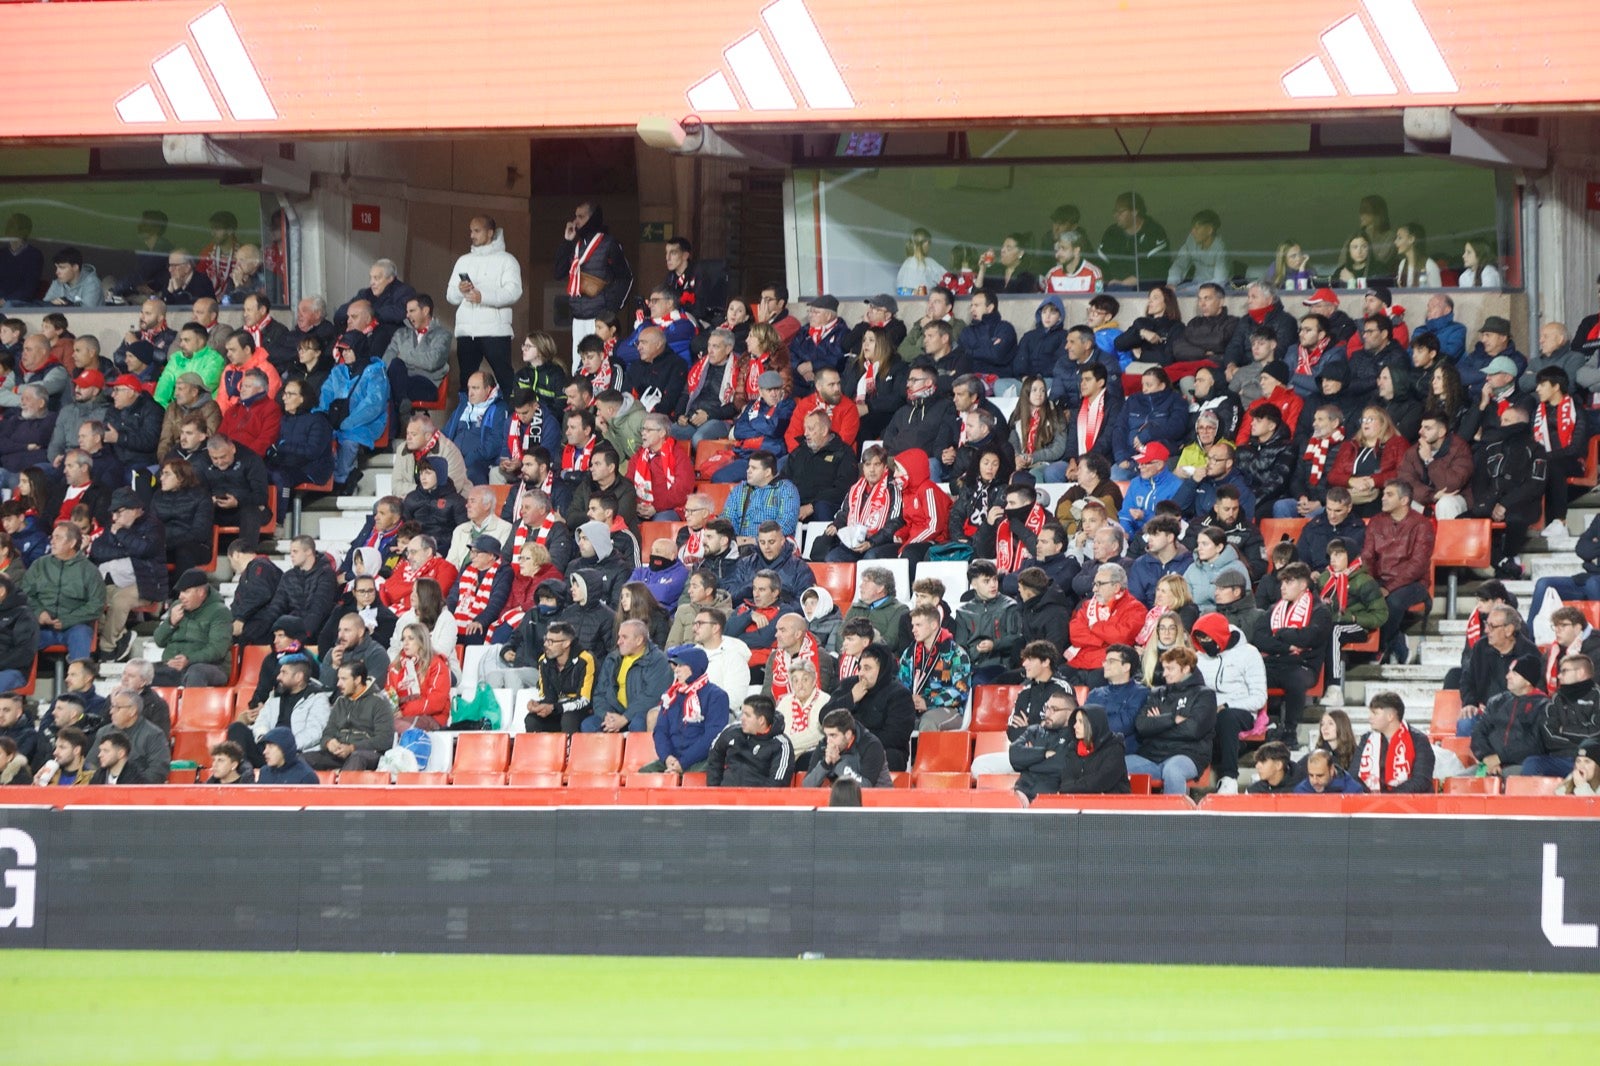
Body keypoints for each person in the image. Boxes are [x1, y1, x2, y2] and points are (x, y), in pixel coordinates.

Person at [1251, 562, 1332, 744]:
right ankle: (1256, 724)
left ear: (1303, 585)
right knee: (1249, 674)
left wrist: (1279, 633)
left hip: (1302, 665)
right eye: (1282, 582)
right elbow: (1259, 637)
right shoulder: (1274, 609)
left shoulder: (1320, 611)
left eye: (1288, 582)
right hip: (1274, 662)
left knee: (1294, 680)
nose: (1283, 587)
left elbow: (1309, 638)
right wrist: (1286, 646)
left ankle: (1290, 730)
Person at [445, 215, 523, 396]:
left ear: (490, 233)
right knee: (466, 380)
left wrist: (483, 297)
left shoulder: (507, 260)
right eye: (471, 230)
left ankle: (512, 417)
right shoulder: (463, 260)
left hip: (494, 330)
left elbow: (514, 292)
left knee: (505, 378)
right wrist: (461, 290)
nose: (472, 235)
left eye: (477, 231)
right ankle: (466, 419)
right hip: (467, 331)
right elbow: (450, 296)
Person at [1190, 612, 1267, 794]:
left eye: (1207, 637)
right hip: (1207, 710)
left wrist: (1228, 705)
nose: (1203, 642)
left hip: (1240, 710)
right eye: (1200, 638)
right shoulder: (1198, 657)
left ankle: (1229, 777)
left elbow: (1259, 697)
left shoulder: (1249, 653)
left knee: (1226, 717)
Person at [1127, 647, 1217, 795]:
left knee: (1174, 771)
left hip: (1187, 755)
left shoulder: (1205, 695)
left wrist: (1157, 723)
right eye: (1164, 669)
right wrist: (1172, 719)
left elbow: (1193, 730)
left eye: (1170, 669)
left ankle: (1175, 818)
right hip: (1152, 755)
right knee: (1118, 765)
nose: (1165, 674)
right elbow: (1142, 725)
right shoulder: (1157, 693)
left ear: (1186, 668)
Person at [1362, 480, 1435, 663]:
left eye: (1389, 494)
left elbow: (1418, 564)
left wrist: (1388, 588)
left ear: (1404, 500)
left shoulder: (1422, 524)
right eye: (1384, 494)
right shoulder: (1376, 522)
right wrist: (1370, 583)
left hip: (1414, 583)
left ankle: (1379, 646)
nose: (1383, 498)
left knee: (1392, 602)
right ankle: (1397, 641)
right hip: (1380, 580)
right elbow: (1367, 557)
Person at [315, 331, 390, 492]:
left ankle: (341, 480)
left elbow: (373, 404)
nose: (345, 354)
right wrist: (322, 416)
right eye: (343, 351)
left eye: (349, 350)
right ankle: (331, 477)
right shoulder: (337, 372)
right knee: (319, 434)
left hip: (367, 422)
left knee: (349, 440)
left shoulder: (376, 371)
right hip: (337, 419)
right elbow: (326, 395)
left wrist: (349, 422)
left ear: (359, 349)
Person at [21, 520, 103, 662]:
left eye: (58, 537)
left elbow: (97, 605)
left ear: (72, 543)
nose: (52, 541)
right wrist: (38, 612)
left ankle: (79, 680)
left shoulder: (89, 570)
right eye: (52, 537)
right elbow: (25, 594)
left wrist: (68, 620)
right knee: (15, 634)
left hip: (75, 628)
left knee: (81, 634)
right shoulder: (39, 565)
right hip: (41, 628)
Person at [1468, 652, 1550, 778]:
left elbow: (1534, 743)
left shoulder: (1543, 706)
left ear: (1528, 681)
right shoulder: (1496, 702)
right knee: (1454, 781)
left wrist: (1500, 757)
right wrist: (1487, 757)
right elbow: (1478, 733)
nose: (1507, 676)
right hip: (1489, 764)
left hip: (1520, 766)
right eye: (1509, 672)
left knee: (1508, 778)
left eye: (1514, 673)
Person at [582, 619, 672, 733]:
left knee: (638, 724)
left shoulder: (657, 660)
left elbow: (652, 696)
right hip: (614, 713)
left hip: (640, 713)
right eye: (619, 637)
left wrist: (625, 718)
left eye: (624, 637)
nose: (619, 641)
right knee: (589, 725)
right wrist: (606, 715)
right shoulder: (612, 659)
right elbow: (600, 693)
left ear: (639, 640)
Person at [1065, 562, 1145, 686]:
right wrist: (1103, 640)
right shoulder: (1087, 605)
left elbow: (1121, 638)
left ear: (1116, 587)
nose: (1094, 589)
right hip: (1079, 660)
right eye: (1094, 584)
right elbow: (1075, 633)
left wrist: (1094, 627)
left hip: (1106, 664)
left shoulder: (1135, 609)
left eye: (1099, 584)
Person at [898, 603, 971, 732]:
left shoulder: (955, 653)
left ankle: (927, 753)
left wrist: (929, 702)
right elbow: (901, 685)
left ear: (933, 625)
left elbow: (961, 691)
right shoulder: (910, 654)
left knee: (928, 721)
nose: (913, 629)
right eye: (913, 625)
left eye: (918, 625)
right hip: (913, 708)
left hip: (949, 710)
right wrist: (910, 700)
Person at [706, 692, 794, 787]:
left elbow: (777, 784)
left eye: (747, 715)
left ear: (761, 720)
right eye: (742, 713)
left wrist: (755, 800)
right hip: (726, 797)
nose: (742, 718)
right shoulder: (732, 731)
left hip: (757, 800)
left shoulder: (781, 744)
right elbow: (715, 753)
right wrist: (715, 789)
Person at [1353, 691, 1435, 793]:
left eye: (1375, 713)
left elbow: (1421, 780)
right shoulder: (1366, 740)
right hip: (1372, 804)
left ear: (1390, 716)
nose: (1370, 717)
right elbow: (1354, 776)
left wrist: (1389, 798)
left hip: (1411, 804)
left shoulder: (1418, 740)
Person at [86, 689, 170, 781]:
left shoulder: (153, 734)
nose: (111, 712)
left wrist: (135, 785)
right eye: (112, 707)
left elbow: (158, 769)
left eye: (117, 708)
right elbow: (91, 763)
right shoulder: (104, 731)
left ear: (132, 711)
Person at [802, 708, 892, 788]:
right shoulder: (824, 745)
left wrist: (837, 762)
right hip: (842, 801)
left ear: (848, 734)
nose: (828, 741)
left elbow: (865, 787)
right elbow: (807, 787)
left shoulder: (871, 745)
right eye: (826, 735)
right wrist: (825, 764)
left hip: (877, 802)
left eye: (833, 735)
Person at [1098, 192, 1171, 290]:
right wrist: (1110, 281)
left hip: (1145, 288)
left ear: (1135, 212)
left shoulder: (1154, 231)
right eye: (1115, 211)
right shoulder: (1111, 233)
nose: (1116, 215)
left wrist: (1129, 281)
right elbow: (1100, 264)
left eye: (1120, 212)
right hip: (1113, 286)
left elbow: (1157, 268)